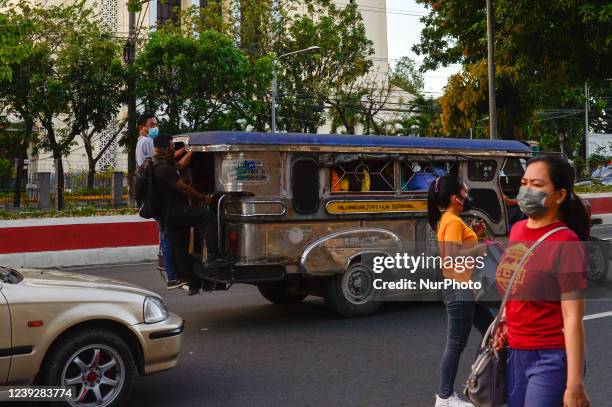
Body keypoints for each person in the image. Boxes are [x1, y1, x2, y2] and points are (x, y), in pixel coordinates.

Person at [493, 155, 590, 407]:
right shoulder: (517, 230)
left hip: (550, 357)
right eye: (524, 182)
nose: (526, 190)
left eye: (536, 185)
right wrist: (504, 322)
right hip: (515, 352)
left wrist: (575, 385)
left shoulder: (566, 243)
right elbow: (515, 287)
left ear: (559, 196)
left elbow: (572, 318)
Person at [428, 174, 494, 407]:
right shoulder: (452, 221)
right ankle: (445, 397)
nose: (468, 195)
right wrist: (477, 249)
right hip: (459, 289)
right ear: (455, 198)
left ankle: (487, 378)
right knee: (455, 345)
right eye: (465, 191)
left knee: (492, 332)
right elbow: (451, 257)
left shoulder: (448, 219)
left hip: (466, 287)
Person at [152, 133, 225, 296]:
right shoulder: (164, 169)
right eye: (171, 145)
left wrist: (191, 150)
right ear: (164, 148)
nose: (173, 148)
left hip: (167, 215)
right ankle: (214, 257)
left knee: (181, 249)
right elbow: (184, 189)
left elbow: (179, 164)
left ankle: (192, 283)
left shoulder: (157, 164)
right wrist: (204, 199)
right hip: (177, 211)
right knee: (207, 218)